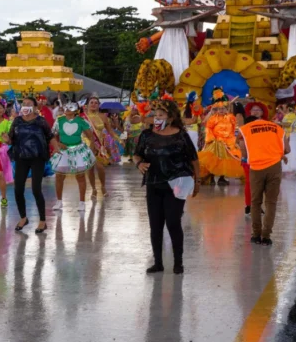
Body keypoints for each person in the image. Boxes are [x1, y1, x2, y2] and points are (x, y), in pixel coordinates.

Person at [132, 99, 200, 274]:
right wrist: (139, 164)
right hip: (154, 183)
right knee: (155, 225)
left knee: (173, 222)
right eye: (155, 115)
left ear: (170, 117)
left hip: (176, 184)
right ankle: (158, 263)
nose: (156, 118)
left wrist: (197, 181)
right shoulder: (147, 135)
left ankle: (178, 262)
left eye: (160, 115)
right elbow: (137, 155)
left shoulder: (181, 135)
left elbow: (193, 159)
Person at [238, 110, 289, 246]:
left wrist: (247, 155)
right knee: (271, 203)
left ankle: (256, 235)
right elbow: (287, 149)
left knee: (255, 202)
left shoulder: (246, 129)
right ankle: (266, 236)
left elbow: (242, 146)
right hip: (274, 167)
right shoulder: (277, 128)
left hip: (256, 168)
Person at [9, 97, 52, 233]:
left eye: (29, 104)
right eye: (24, 103)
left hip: (37, 157)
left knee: (36, 189)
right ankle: (23, 218)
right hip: (21, 157)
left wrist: (56, 148)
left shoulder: (41, 121)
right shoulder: (17, 121)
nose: (25, 105)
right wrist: (6, 139)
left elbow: (49, 136)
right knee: (18, 189)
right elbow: (11, 138)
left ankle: (42, 221)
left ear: (34, 107)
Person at [50, 103, 98, 212]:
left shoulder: (81, 121)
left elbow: (90, 136)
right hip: (63, 151)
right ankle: (59, 201)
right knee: (59, 176)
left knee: (80, 176)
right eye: (66, 107)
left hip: (78, 150)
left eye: (70, 107)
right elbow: (53, 135)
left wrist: (92, 148)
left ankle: (82, 202)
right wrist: (57, 144)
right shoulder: (59, 120)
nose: (67, 109)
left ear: (76, 110)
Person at [198, 88, 243, 185]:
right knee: (213, 159)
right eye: (219, 108)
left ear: (227, 109)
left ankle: (222, 177)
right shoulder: (213, 118)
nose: (221, 110)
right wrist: (211, 138)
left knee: (224, 160)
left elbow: (234, 128)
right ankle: (211, 177)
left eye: (224, 108)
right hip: (215, 141)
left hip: (227, 142)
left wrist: (233, 140)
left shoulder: (231, 117)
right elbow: (208, 128)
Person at [83, 97, 119, 197]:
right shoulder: (83, 117)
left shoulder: (103, 116)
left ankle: (103, 186)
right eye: (91, 102)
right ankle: (94, 189)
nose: (93, 104)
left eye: (96, 103)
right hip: (86, 144)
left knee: (100, 167)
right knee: (90, 168)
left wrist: (119, 139)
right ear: (87, 104)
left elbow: (110, 131)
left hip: (99, 144)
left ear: (99, 105)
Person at [241, 102, 269, 215]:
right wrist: (244, 157)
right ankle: (249, 206)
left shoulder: (267, 125)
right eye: (254, 109)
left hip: (263, 159)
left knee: (261, 184)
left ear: (262, 112)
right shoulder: (245, 126)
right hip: (249, 159)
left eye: (258, 110)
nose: (256, 111)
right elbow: (241, 142)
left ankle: (256, 205)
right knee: (249, 183)